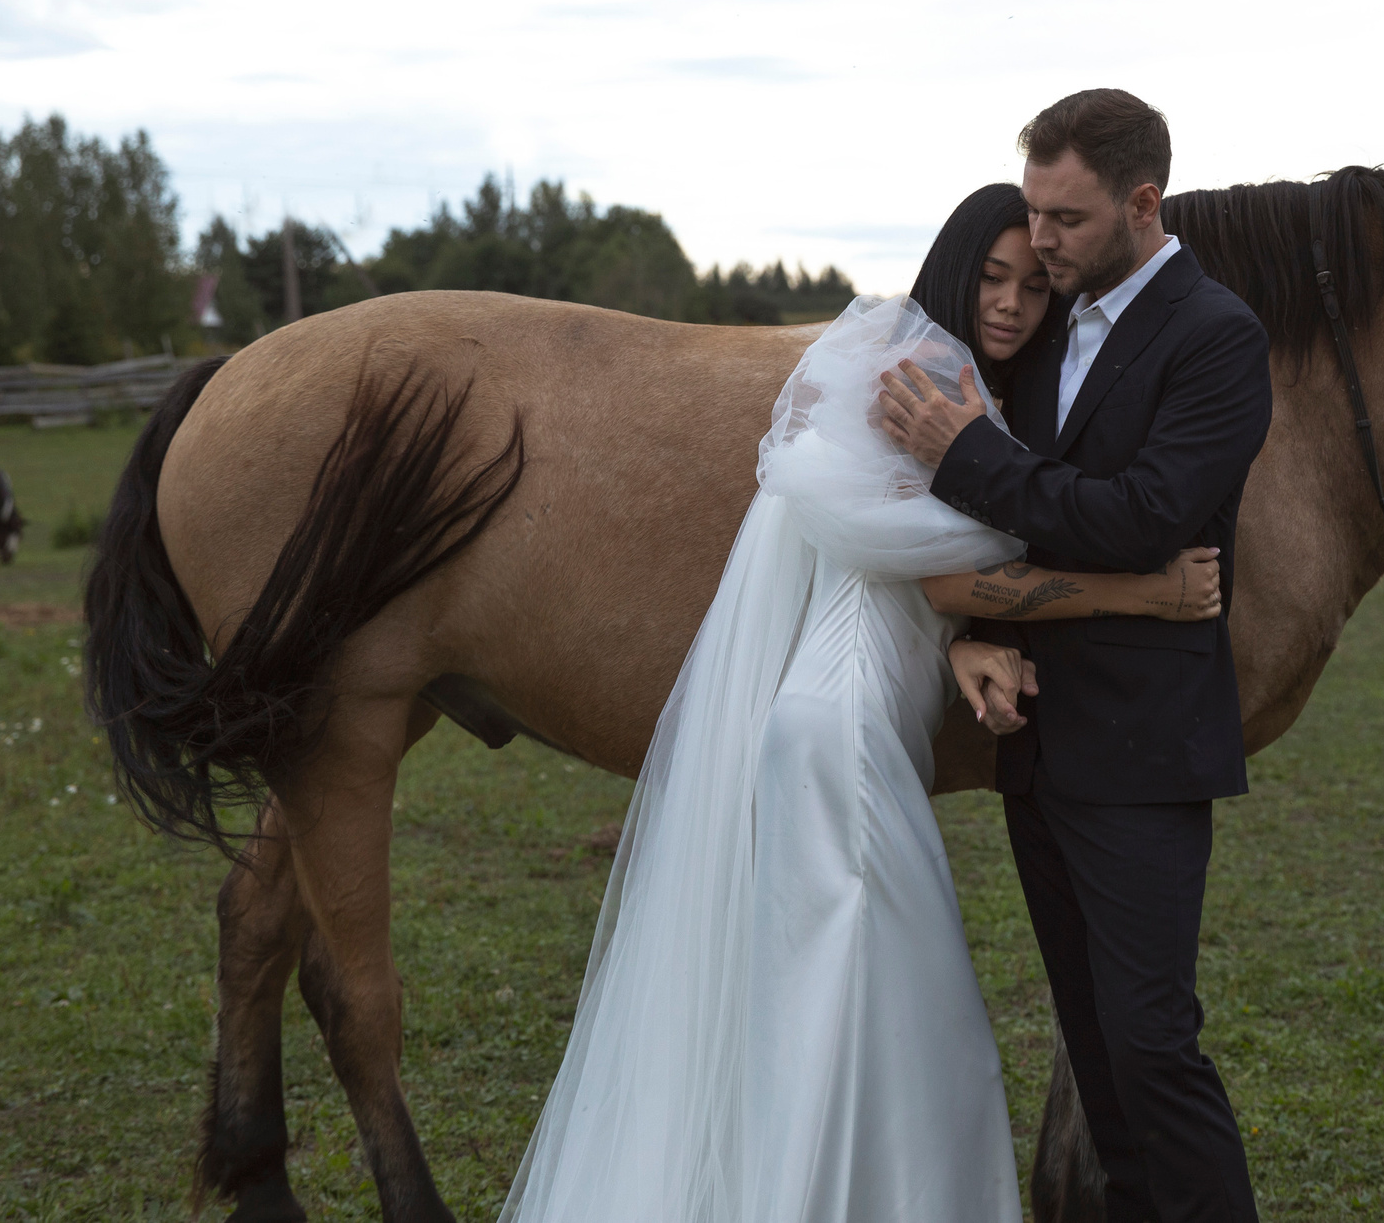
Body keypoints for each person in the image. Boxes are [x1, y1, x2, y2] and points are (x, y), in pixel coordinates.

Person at [500, 181, 1223, 1223]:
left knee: (837, 1015)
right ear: (952, 269)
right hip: (842, 736)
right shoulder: (921, 376)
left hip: (843, 725)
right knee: (899, 1026)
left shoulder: (969, 385)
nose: (1012, 303)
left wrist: (973, 638)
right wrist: (1145, 593)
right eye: (991, 278)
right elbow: (940, 572)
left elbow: (926, 564)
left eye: (1031, 283)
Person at [879, 90, 1272, 1223]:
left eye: (1064, 218)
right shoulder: (1059, 323)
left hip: (1144, 752)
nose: (1037, 240)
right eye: (1034, 212)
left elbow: (1143, 515)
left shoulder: (1214, 334)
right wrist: (981, 629)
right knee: (1099, 1059)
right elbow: (1035, 529)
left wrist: (959, 456)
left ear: (1143, 204)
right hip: (1038, 746)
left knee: (1154, 1048)